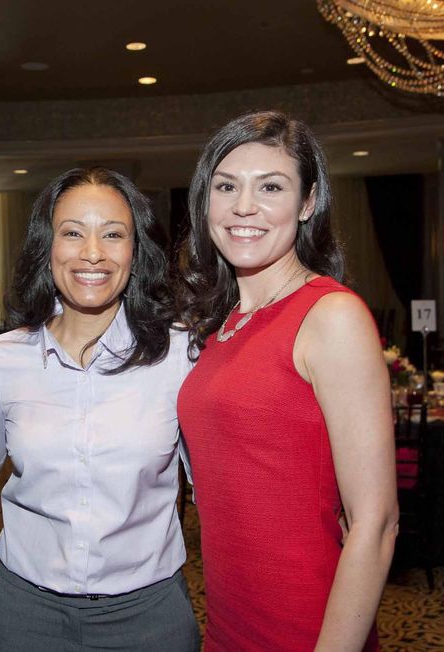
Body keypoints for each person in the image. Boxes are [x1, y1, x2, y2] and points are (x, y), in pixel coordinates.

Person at [175, 111, 398, 651]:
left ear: (307, 203)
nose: (243, 207)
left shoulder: (330, 315)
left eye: (270, 187)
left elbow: (377, 521)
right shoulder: (220, 324)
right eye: (226, 187)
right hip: (229, 623)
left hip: (309, 626)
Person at [0, 167, 200, 651]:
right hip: (26, 617)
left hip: (149, 618)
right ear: (48, 247)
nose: (93, 253)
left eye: (114, 234)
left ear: (136, 250)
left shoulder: (180, 358)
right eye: (73, 233)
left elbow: (220, 495)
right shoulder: (2, 360)